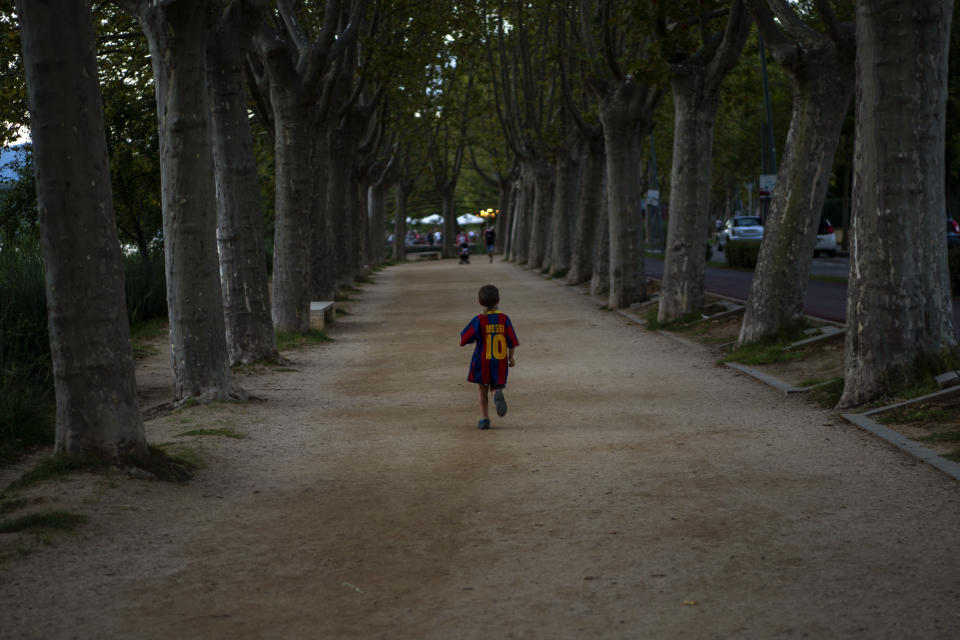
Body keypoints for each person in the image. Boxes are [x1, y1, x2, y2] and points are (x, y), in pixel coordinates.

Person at [460, 284, 519, 430]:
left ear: (480, 302)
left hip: (482, 360)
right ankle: (496, 392)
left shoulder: (479, 320)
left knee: (482, 389)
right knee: (495, 385)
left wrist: (470, 340)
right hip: (499, 361)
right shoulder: (504, 319)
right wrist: (511, 358)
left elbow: (464, 338)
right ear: (498, 300)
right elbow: (512, 342)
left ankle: (485, 418)